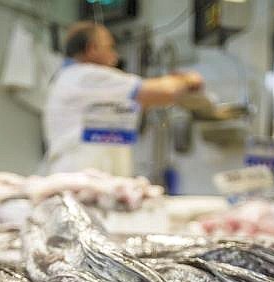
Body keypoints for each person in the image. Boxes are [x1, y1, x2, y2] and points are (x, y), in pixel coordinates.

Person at [43, 22, 204, 176]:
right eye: (110, 47)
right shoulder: (87, 75)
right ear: (92, 48)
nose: (115, 56)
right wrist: (189, 79)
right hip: (81, 181)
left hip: (87, 179)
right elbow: (165, 92)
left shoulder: (71, 78)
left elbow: (148, 99)